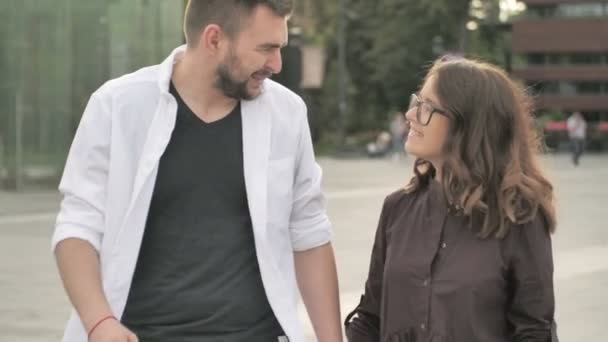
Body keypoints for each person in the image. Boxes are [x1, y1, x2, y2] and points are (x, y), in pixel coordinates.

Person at [52, 1, 342, 342]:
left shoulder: (287, 114)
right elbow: (77, 228)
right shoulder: (117, 106)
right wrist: (99, 322)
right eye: (266, 48)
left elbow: (309, 233)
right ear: (214, 39)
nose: (276, 64)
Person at [345, 58, 558, 342]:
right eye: (416, 102)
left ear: (467, 124)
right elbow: (371, 317)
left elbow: (534, 332)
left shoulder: (519, 217)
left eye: (426, 108)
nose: (410, 114)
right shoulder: (397, 208)